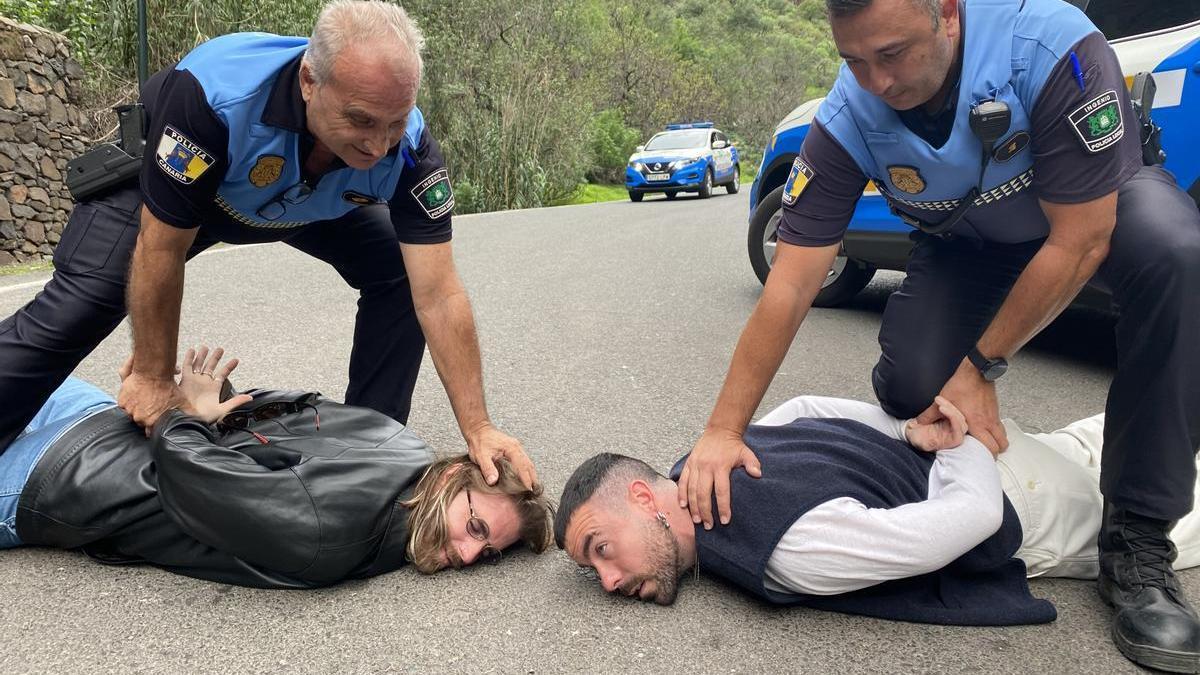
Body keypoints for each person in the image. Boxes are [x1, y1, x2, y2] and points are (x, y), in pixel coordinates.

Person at [678, 0, 1200, 667]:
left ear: (948, 14)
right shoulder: (849, 116)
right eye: (852, 60)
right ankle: (1072, 451)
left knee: (1177, 258)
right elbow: (790, 283)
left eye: (891, 54)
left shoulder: (1050, 47)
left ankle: (1139, 540)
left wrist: (982, 366)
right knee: (914, 388)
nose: (876, 83)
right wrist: (723, 430)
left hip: (1095, 212)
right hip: (975, 244)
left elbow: (1081, 241)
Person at [0, 0, 536, 490]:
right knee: (84, 303)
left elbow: (438, 294)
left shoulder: (410, 150)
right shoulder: (213, 95)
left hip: (298, 203)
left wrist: (479, 426)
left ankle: (370, 445)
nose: (379, 144)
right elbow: (161, 249)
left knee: (397, 271)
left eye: (394, 122)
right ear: (309, 81)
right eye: (361, 120)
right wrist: (152, 377)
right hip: (180, 193)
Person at [557, 396, 1200, 629]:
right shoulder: (701, 460)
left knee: (1172, 499)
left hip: (1027, 504)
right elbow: (806, 409)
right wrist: (909, 429)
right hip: (1016, 453)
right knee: (1134, 432)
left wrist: (956, 438)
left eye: (601, 549)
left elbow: (973, 519)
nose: (610, 582)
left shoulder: (783, 547)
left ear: (643, 497)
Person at [0, 347, 553, 588]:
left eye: (486, 556)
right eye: (476, 528)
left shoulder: (403, 444)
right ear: (456, 475)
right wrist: (192, 406)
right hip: (55, 477)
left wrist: (190, 409)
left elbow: (262, 431)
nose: (466, 554)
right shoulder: (328, 535)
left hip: (92, 437)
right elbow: (197, 473)